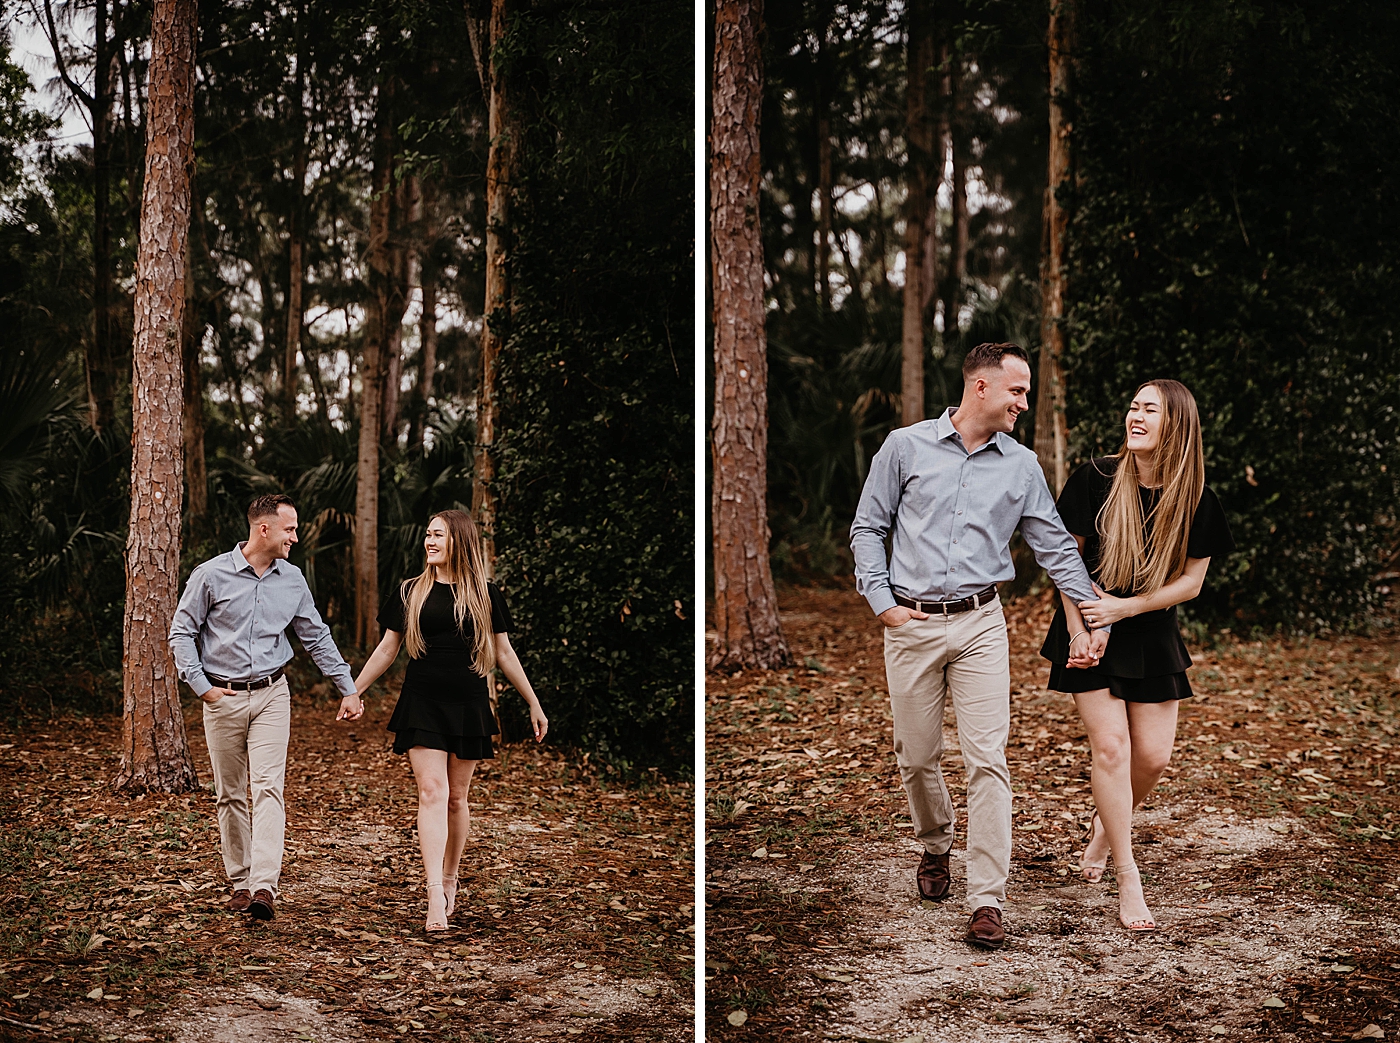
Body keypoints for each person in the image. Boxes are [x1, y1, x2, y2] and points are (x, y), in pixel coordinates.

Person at [850, 342, 1108, 950]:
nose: (1025, 402)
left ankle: (987, 896)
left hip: (981, 624)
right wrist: (882, 601)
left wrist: (1095, 612)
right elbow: (868, 526)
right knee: (915, 756)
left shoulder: (1020, 467)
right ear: (982, 387)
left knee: (988, 758)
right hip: (910, 623)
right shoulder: (904, 447)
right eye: (1017, 390)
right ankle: (937, 844)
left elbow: (1053, 547)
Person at [1040, 379, 1234, 931]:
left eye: (1149, 409)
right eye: (1132, 406)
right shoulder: (1096, 478)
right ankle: (1127, 873)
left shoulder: (1195, 498)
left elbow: (1192, 582)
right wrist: (1082, 629)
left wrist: (1126, 610)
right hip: (1088, 620)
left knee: (1152, 758)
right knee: (1112, 750)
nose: (1136, 416)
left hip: (1147, 631)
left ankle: (1105, 826)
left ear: (1176, 424)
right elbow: (1064, 562)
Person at [346, 509, 548, 933]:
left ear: (459, 540)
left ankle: (452, 875)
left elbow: (505, 654)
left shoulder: (486, 594)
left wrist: (533, 702)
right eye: (427, 534)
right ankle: (434, 892)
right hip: (422, 701)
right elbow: (387, 649)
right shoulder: (409, 591)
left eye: (437, 534)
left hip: (469, 702)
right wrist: (354, 690)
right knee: (431, 791)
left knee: (457, 798)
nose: (429, 541)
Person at [169, 493, 361, 921]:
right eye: (290, 529)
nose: (295, 536)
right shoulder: (210, 575)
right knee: (230, 794)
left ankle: (263, 887)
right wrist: (203, 688)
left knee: (269, 788)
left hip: (274, 694)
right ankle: (239, 881)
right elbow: (181, 633)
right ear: (264, 529)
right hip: (223, 697)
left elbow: (316, 636)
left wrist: (347, 687)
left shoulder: (292, 580)